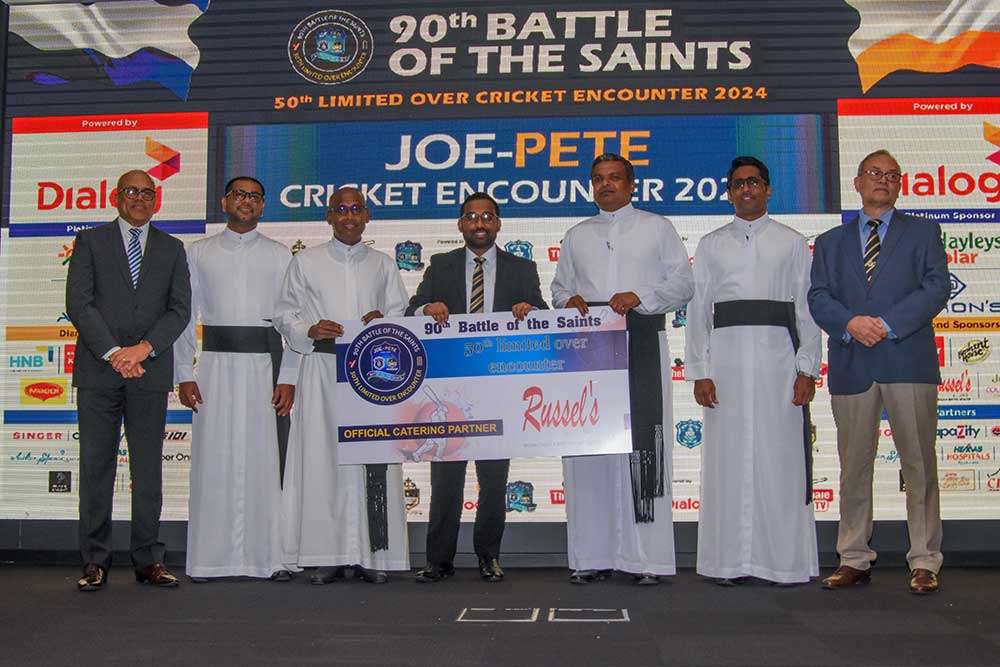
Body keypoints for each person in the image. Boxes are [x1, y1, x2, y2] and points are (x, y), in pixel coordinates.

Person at [808, 149, 949, 594]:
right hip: (853, 363)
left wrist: (886, 325)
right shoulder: (830, 242)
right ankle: (853, 557)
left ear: (900, 185)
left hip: (908, 360)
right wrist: (850, 323)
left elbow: (937, 287)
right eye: (874, 173)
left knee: (919, 465)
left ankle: (924, 559)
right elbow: (818, 297)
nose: (883, 180)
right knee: (853, 467)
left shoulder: (924, 232)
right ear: (857, 183)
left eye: (891, 175)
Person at [551, 153, 694, 585]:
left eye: (615, 178)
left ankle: (645, 559)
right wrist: (569, 301)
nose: (606, 185)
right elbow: (559, 289)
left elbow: (683, 285)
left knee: (642, 448)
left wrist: (640, 297)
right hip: (589, 349)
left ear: (632, 185)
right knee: (589, 449)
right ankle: (592, 556)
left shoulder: (657, 227)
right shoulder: (576, 235)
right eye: (598, 179)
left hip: (641, 342)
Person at [685, 156, 821, 586]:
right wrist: (700, 370)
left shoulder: (792, 242)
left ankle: (782, 563)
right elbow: (697, 311)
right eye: (738, 184)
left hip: (778, 363)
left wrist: (807, 368)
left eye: (754, 182)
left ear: (767, 189)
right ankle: (726, 563)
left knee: (780, 460)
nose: (746, 189)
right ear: (729, 192)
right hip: (725, 366)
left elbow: (807, 308)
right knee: (725, 462)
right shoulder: (711, 244)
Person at [405, 193, 548, 584]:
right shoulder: (441, 265)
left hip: (499, 390)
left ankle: (489, 557)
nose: (479, 223)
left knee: (494, 481)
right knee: (445, 481)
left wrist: (530, 313)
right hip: (450, 393)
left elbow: (545, 316)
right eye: (471, 216)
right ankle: (439, 560)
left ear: (498, 223)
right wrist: (427, 309)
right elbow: (411, 310)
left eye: (486, 217)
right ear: (460, 224)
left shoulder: (522, 268)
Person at [275, 187, 410, 585]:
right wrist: (309, 329)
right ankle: (326, 554)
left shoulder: (383, 265)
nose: (349, 216)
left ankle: (372, 555)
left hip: (374, 377)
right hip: (321, 371)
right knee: (323, 461)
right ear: (329, 217)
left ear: (367, 216)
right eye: (341, 210)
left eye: (356, 209)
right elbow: (284, 314)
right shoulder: (306, 262)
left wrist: (384, 320)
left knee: (371, 462)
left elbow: (402, 314)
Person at [65, 169, 191, 591]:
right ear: (117, 197)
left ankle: (148, 559)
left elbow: (179, 309)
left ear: (157, 199)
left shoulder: (173, 248)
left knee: (148, 470)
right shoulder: (90, 241)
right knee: (96, 468)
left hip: (149, 372)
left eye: (147, 192)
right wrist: (115, 353)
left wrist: (143, 350)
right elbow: (79, 304)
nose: (140, 198)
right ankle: (94, 561)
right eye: (132, 191)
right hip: (99, 371)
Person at [174, 176, 299, 582]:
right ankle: (210, 560)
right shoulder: (199, 252)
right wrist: (184, 373)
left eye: (255, 197)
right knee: (214, 461)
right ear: (224, 201)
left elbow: (291, 320)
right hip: (214, 369)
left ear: (263, 206)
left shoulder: (279, 255)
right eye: (239, 195)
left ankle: (271, 558)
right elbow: (184, 317)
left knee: (266, 461)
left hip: (266, 368)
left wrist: (289, 375)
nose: (247, 202)